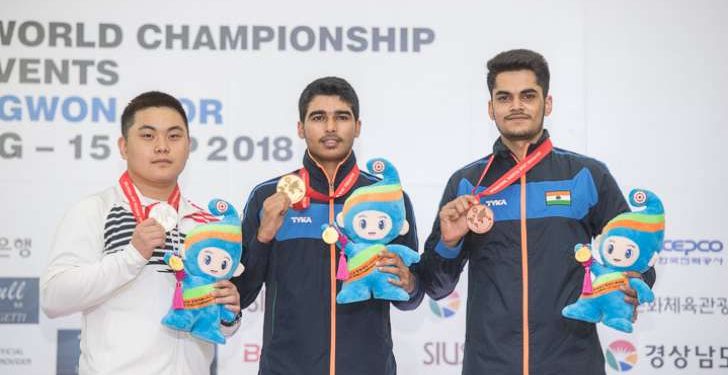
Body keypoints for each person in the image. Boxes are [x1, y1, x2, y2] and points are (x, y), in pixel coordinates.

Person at [416, 49, 656, 375]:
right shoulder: (468, 184)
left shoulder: (585, 176)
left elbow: (635, 256)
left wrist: (634, 281)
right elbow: (435, 285)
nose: (516, 106)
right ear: (491, 108)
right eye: (504, 97)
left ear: (548, 103)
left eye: (528, 96)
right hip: (490, 365)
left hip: (572, 362)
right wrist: (449, 241)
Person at [41, 91, 242, 375]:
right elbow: (54, 298)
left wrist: (229, 314)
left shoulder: (204, 223)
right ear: (123, 146)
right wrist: (131, 257)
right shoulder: (95, 210)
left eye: (174, 136)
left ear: (188, 145)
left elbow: (214, 323)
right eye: (148, 136)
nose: (162, 147)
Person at [232, 76, 423, 375]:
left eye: (342, 117)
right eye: (319, 117)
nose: (331, 127)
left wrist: (409, 282)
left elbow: (411, 298)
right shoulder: (268, 197)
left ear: (357, 127)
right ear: (300, 127)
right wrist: (264, 236)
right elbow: (241, 294)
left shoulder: (388, 199)